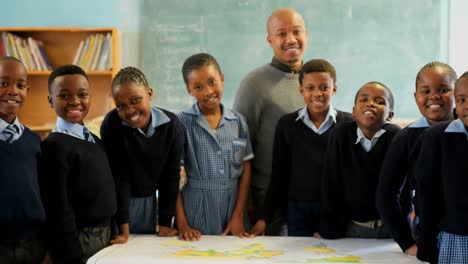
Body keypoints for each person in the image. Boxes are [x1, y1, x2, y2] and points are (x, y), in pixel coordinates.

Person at [251, 59, 352, 237]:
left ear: (334, 88)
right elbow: (279, 175)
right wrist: (264, 218)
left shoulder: (348, 125)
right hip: (298, 210)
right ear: (301, 90)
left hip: (335, 209)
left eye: (324, 87)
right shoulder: (287, 124)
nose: (317, 93)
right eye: (310, 88)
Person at [233, 7, 308, 235]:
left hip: (308, 202)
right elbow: (240, 148)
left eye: (296, 32)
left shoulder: (315, 81)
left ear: (306, 34)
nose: (290, 40)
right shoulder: (254, 84)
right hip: (268, 205)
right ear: (270, 40)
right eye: (281, 34)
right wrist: (247, 204)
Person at [376, 61, 456, 256]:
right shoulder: (406, 138)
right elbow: (386, 195)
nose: (434, 96)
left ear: (458, 93)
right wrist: (406, 243)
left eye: (444, 89)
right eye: (425, 91)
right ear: (415, 96)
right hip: (429, 236)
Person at [39, 65, 116, 263]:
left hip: (106, 235)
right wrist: (71, 252)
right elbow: (58, 206)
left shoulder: (94, 140)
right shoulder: (53, 146)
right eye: (64, 96)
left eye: (82, 94)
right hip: (79, 240)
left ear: (90, 97)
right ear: (50, 100)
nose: (75, 101)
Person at [100, 66, 183, 242]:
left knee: (147, 249)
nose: (130, 110)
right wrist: (123, 229)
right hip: (119, 203)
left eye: (136, 100)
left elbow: (171, 176)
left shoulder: (171, 125)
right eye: (121, 106)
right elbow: (119, 176)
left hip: (150, 202)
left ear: (149, 93)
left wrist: (165, 224)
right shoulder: (112, 124)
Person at [176, 53, 253, 241]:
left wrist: (237, 216)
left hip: (233, 209)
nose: (208, 91)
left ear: (222, 79)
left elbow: (246, 168)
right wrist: (182, 224)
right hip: (196, 211)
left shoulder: (238, 122)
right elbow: (172, 176)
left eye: (212, 82)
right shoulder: (181, 123)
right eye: (198, 87)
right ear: (189, 90)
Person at [318, 82, 400, 239]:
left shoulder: (397, 138)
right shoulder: (340, 135)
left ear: (390, 115)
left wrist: (403, 234)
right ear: (354, 111)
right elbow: (331, 185)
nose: (370, 103)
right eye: (364, 100)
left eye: (380, 101)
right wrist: (327, 231)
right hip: (352, 227)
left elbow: (404, 191)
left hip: (392, 229)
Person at [416, 71, 468, 263]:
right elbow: (427, 195)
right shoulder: (437, 137)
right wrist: (426, 243)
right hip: (454, 238)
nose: (467, 105)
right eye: (461, 100)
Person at [0, 56, 47, 264]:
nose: (13, 91)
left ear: (27, 90)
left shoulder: (33, 140)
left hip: (33, 245)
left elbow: (44, 192)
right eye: (3, 83)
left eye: (20, 85)